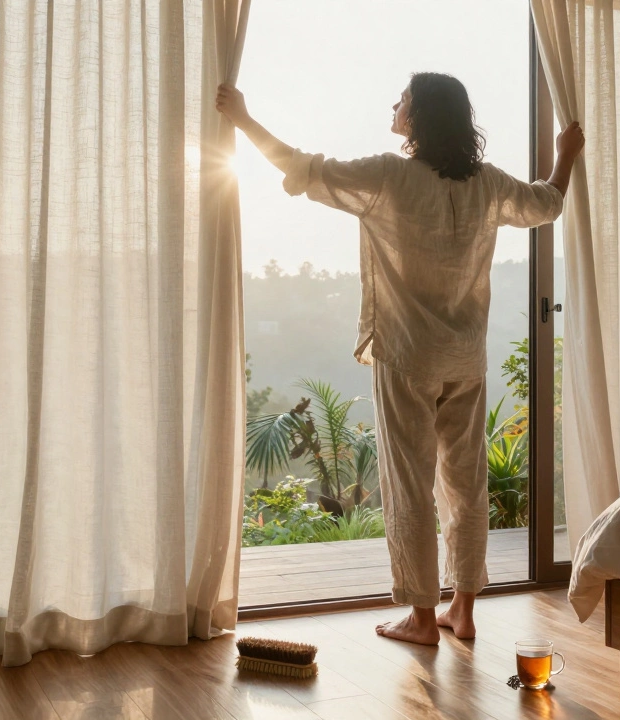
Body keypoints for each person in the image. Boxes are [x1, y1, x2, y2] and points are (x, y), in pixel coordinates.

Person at [217, 73, 584, 645]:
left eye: (404, 101)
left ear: (420, 117)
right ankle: (462, 611)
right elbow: (548, 203)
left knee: (410, 483)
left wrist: (243, 120)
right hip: (465, 357)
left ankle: (419, 618)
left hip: (408, 355)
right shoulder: (484, 183)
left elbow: (303, 166)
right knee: (466, 484)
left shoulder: (390, 176)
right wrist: (565, 155)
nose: (395, 106)